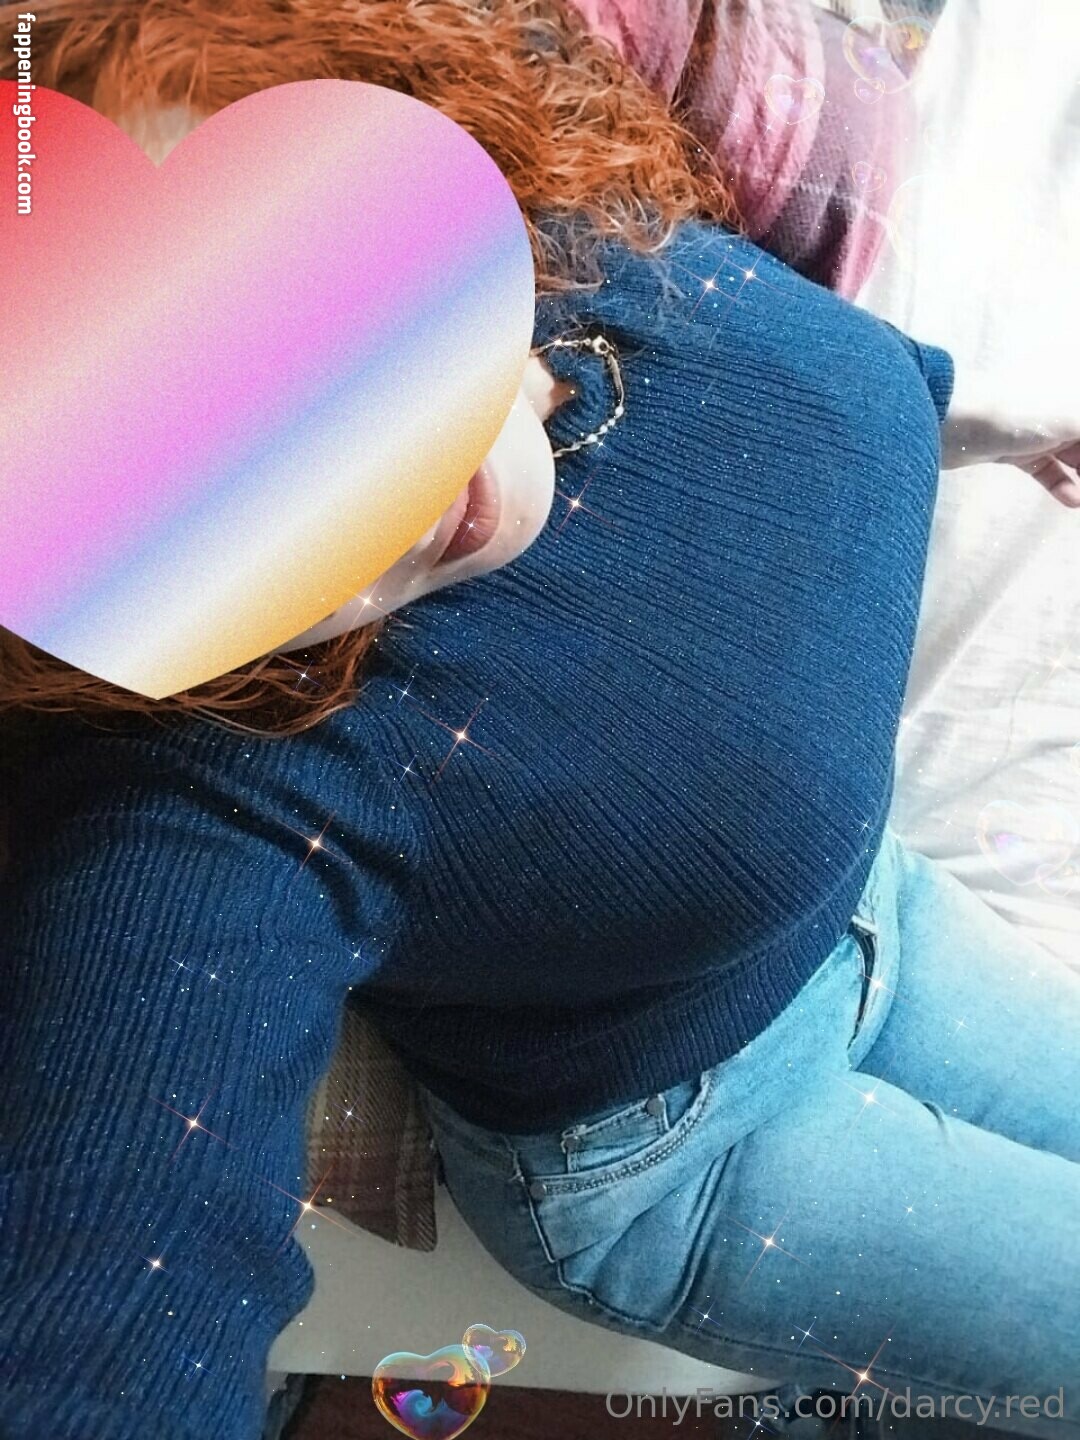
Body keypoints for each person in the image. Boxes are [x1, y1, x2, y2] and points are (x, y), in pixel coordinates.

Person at [1, 3, 1078, 1439]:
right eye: (188, 494)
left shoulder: (557, 203)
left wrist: (982, 415)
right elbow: (111, 1286)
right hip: (691, 1144)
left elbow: (838, 376)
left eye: (296, 308)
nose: (374, 481)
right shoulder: (212, 802)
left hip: (872, 914)